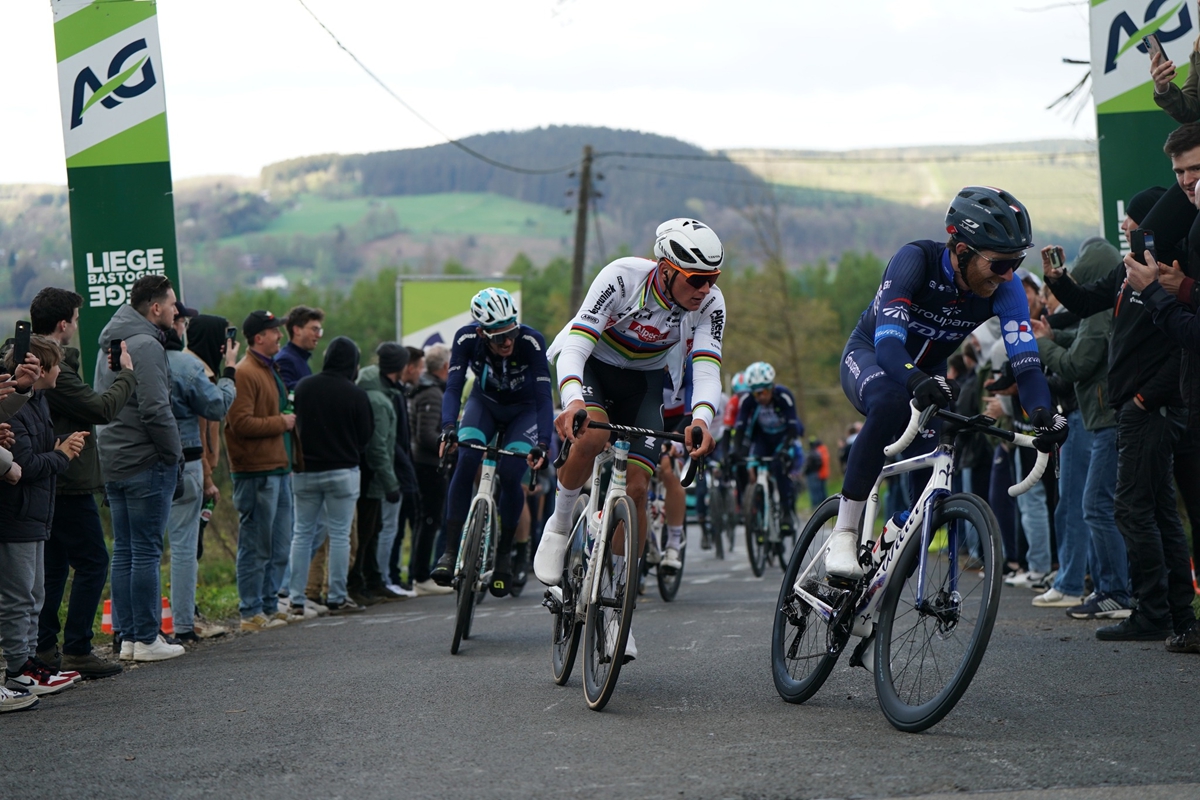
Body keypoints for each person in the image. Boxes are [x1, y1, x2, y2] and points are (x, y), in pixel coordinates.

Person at [829, 187, 1065, 582]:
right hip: (873, 357)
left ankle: (886, 550)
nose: (1009, 274)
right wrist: (915, 379)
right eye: (1001, 263)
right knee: (889, 402)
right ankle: (845, 531)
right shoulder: (914, 261)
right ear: (961, 251)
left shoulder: (1004, 289)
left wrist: (1042, 411)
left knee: (929, 504)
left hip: (927, 375)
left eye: (1017, 262)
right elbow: (888, 344)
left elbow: (1026, 365)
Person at [534, 219, 725, 660]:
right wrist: (571, 401)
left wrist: (702, 419)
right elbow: (578, 343)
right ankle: (560, 526)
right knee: (593, 435)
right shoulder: (622, 276)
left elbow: (707, 367)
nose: (705, 289)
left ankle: (617, 604)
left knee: (638, 488)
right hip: (591, 366)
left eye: (713, 279)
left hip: (643, 382)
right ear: (665, 269)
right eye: (697, 279)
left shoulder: (710, 304)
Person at [30, 288, 132, 678]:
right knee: (93, 561)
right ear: (63, 324)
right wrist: (127, 374)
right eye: (75, 318)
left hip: (49, 476)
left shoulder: (35, 358)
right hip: (66, 479)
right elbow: (100, 408)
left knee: (54, 567)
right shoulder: (52, 368)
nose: (77, 324)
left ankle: (44, 647)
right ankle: (76, 648)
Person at [432, 288, 551, 598]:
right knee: (466, 460)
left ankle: (503, 558)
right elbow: (453, 388)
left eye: (511, 332)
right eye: (499, 337)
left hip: (523, 413)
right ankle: (449, 551)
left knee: (512, 477)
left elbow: (542, 397)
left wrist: (544, 443)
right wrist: (448, 428)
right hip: (483, 405)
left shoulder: (531, 341)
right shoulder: (465, 339)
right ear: (482, 333)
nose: (507, 342)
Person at [1033, 237, 1127, 616]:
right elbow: (1084, 344)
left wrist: (1044, 345)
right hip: (1098, 414)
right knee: (1092, 505)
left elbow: (1078, 363)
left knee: (1093, 505)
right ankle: (1106, 588)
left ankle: (1111, 590)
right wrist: (1055, 337)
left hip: (1102, 416)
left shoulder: (1100, 310)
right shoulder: (1103, 307)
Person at [94, 274, 186, 661]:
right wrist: (174, 455)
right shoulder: (146, 344)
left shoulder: (111, 342)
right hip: (145, 460)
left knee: (127, 551)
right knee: (145, 551)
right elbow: (154, 407)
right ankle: (147, 638)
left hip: (114, 458)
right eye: (172, 303)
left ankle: (130, 638)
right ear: (155, 308)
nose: (176, 310)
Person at [1, 337, 87, 694]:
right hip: (16, 514)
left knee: (34, 594)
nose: (60, 372)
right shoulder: (17, 406)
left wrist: (55, 450)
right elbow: (27, 463)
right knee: (19, 596)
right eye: (57, 366)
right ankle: (18, 667)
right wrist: (63, 455)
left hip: (35, 513)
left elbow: (32, 453)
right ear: (41, 369)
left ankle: (30, 663)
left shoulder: (37, 402)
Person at [164, 302, 237, 642]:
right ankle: (185, 620)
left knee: (183, 547)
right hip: (191, 466)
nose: (228, 346)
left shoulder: (186, 366)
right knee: (185, 548)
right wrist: (208, 477)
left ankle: (179, 617)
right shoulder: (195, 371)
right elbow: (204, 424)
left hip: (188, 465)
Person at [288, 337, 373, 617]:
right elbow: (365, 435)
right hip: (342, 471)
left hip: (305, 472)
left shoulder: (304, 387)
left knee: (301, 533)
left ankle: (296, 598)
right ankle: (337, 596)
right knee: (339, 536)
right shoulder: (355, 393)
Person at [225, 310, 296, 632]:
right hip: (256, 472)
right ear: (258, 337)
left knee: (279, 544)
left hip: (278, 468)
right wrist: (281, 422)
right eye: (274, 331)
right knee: (256, 545)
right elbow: (239, 423)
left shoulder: (268, 369)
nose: (280, 336)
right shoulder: (245, 373)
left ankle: (269, 604)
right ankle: (250, 609)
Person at [350, 342, 406, 605]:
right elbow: (378, 446)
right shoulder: (379, 400)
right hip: (371, 477)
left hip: (368, 475)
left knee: (372, 529)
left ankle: (372, 581)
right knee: (366, 531)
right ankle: (359, 583)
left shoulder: (379, 389)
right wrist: (390, 483)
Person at [734, 361, 803, 552]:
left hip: (783, 438)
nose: (760, 397)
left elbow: (792, 429)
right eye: (756, 393)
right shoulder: (748, 400)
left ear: (772, 387)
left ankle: (786, 511)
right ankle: (757, 511)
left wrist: (784, 450)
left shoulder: (784, 396)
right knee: (751, 469)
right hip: (763, 439)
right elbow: (739, 428)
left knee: (779, 468)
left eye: (763, 392)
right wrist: (736, 451)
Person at [407, 343, 453, 595]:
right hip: (427, 465)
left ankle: (419, 572)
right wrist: (448, 444)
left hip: (424, 463)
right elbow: (425, 434)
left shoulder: (426, 389)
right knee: (429, 520)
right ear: (445, 366)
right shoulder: (432, 393)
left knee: (426, 520)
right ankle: (420, 575)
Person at [274, 305, 324, 391]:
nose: (319, 335)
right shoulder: (285, 360)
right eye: (315, 329)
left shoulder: (300, 359)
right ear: (297, 330)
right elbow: (285, 393)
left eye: (319, 331)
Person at [804, 436, 829, 508]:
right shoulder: (821, 451)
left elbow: (811, 464)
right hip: (820, 473)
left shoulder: (814, 453)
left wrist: (806, 470)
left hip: (815, 473)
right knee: (820, 490)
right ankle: (822, 505)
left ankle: (816, 505)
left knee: (815, 490)